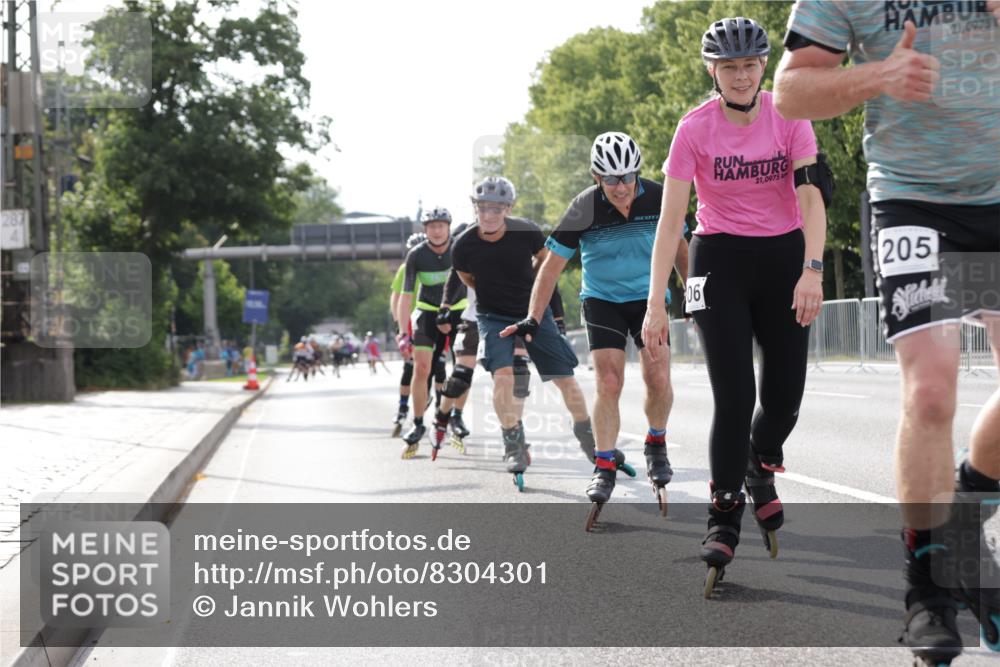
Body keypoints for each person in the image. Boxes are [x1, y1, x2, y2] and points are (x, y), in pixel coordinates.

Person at [774, 2, 1000, 661]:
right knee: (931, 389)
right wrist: (877, 76)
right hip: (914, 199)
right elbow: (789, 92)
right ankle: (927, 586)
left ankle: (957, 527)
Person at [642, 16, 826, 595]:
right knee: (735, 392)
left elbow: (811, 195)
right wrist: (654, 306)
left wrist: (812, 269)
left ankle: (760, 462)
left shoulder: (789, 113)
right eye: (729, 66)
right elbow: (672, 222)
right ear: (712, 70)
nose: (741, 75)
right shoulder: (693, 128)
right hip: (716, 259)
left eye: (749, 65)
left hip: (784, 258)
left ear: (763, 66)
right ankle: (724, 514)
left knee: (784, 400)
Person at [510, 131, 690, 522]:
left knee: (657, 375)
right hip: (603, 300)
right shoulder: (583, 208)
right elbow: (550, 268)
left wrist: (694, 296)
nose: (622, 187)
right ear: (596, 177)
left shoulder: (659, 196)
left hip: (650, 297)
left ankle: (656, 442)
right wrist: (533, 317)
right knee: (609, 381)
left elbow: (682, 250)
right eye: (611, 179)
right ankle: (604, 463)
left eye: (628, 177)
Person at [453, 176, 624, 492]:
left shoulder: (527, 232)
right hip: (492, 317)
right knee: (503, 376)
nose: (489, 215)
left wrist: (540, 305)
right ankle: (513, 442)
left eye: (497, 208)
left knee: (565, 379)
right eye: (483, 208)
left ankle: (588, 436)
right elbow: (468, 278)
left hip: (533, 312)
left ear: (508, 208)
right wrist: (497, 294)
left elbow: (548, 266)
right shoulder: (463, 245)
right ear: (474, 207)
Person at [395, 207, 466, 458]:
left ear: (448, 227)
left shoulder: (461, 247)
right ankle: (417, 422)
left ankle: (456, 416)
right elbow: (405, 296)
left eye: (441, 226)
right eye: (431, 227)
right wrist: (404, 332)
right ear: (425, 230)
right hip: (426, 313)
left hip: (459, 311)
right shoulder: (416, 255)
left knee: (461, 367)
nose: (436, 231)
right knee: (421, 368)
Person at [389, 232, 427, 433]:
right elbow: (395, 298)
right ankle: (403, 406)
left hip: (430, 321)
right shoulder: (405, 268)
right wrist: (400, 325)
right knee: (410, 368)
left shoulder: (435, 266)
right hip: (410, 323)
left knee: (434, 368)